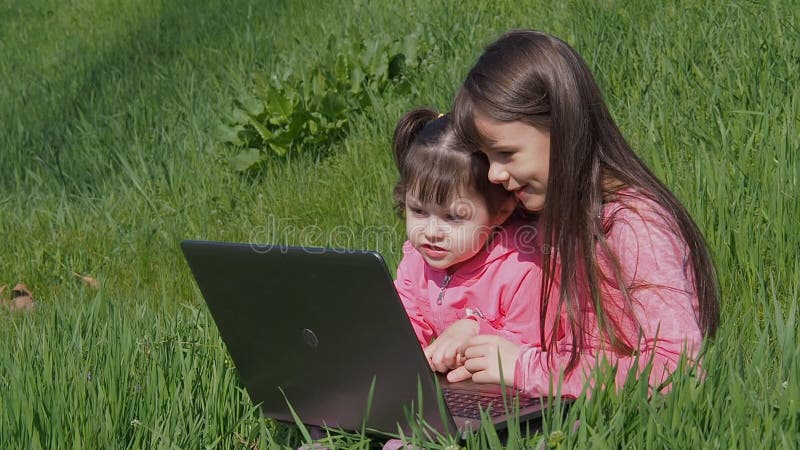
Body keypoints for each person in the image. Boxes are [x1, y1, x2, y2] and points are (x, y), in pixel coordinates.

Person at [446, 30, 720, 398]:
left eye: (507, 154)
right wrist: (473, 332)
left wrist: (528, 368)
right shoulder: (542, 216)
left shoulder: (632, 224)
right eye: (486, 158)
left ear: (563, 128)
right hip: (559, 403)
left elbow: (680, 368)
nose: (494, 174)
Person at [392, 107, 543, 373]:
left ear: (500, 212)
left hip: (509, 395)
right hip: (461, 388)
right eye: (418, 211)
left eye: (452, 217)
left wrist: (475, 330)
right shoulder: (416, 262)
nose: (432, 232)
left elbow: (531, 345)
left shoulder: (522, 268)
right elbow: (404, 323)